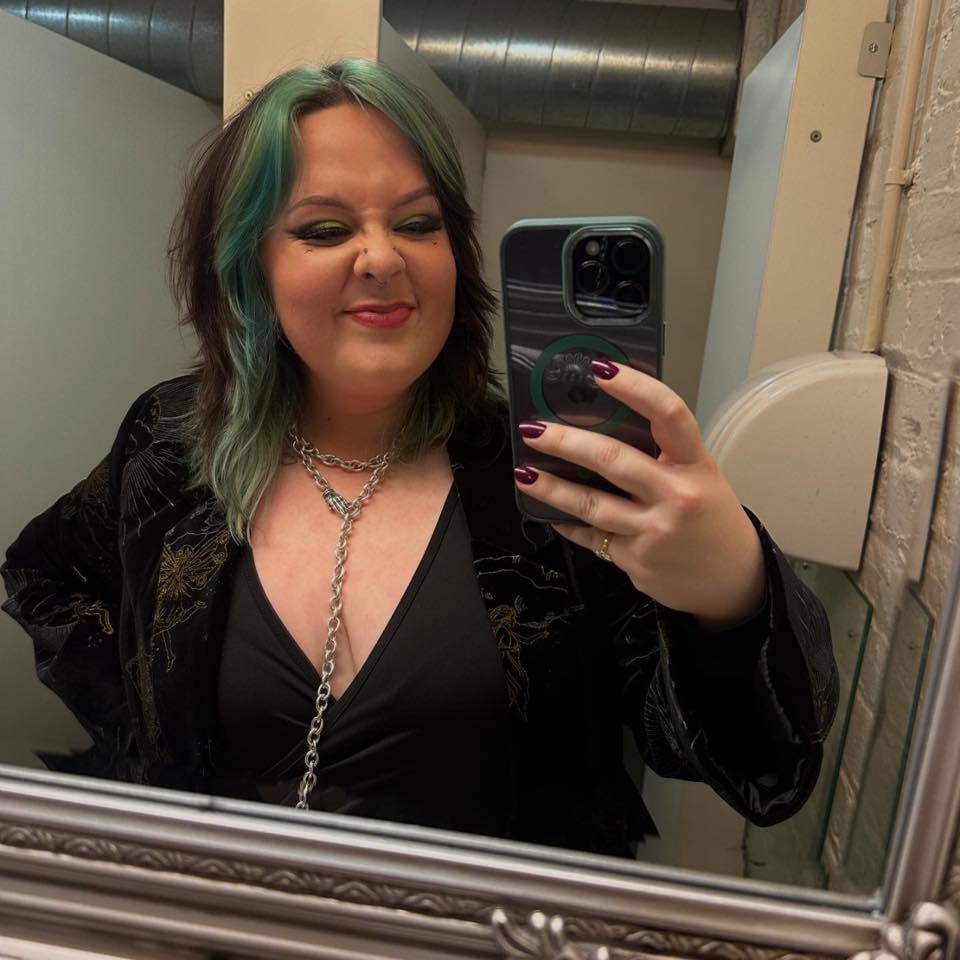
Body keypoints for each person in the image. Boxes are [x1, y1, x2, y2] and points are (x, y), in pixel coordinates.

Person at [2, 59, 838, 857]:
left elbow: (758, 770)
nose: (382, 257)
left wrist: (730, 594)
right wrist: (152, 740)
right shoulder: (172, 439)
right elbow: (42, 578)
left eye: (417, 223)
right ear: (250, 266)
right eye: (326, 229)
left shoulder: (552, 480)